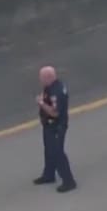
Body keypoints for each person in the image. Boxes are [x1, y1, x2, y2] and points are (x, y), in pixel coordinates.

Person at [33, 65, 77, 193]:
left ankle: (69, 181)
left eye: (41, 78)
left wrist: (41, 103)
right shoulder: (50, 86)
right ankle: (49, 174)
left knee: (57, 153)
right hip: (49, 125)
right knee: (49, 150)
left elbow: (55, 112)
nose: (40, 80)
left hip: (56, 126)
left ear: (48, 78)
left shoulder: (57, 92)